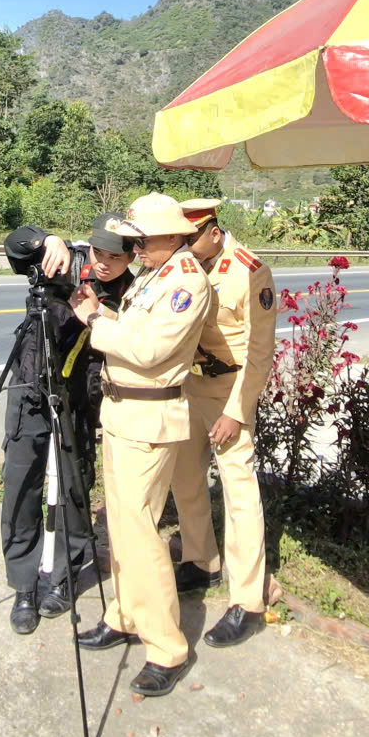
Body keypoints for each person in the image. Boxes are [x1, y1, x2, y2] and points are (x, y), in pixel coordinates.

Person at [68, 192, 211, 697]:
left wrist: (94, 320)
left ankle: (166, 645)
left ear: (172, 236)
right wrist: (102, 317)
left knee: (142, 533)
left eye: (142, 241)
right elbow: (130, 328)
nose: (136, 249)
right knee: (123, 528)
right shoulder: (156, 273)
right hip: (123, 412)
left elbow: (148, 349)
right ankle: (125, 614)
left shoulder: (185, 282)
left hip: (148, 417)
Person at [0, 214, 135, 635]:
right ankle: (24, 586)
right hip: (32, 385)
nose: (105, 263)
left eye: (116, 257)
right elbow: (15, 245)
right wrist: (46, 239)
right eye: (99, 253)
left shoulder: (134, 291)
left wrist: (100, 313)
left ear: (131, 257)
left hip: (78, 395)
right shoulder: (65, 260)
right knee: (21, 483)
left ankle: (63, 576)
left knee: (74, 489)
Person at [169, 198, 276, 646]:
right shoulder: (185, 264)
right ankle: (201, 562)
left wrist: (236, 411)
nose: (184, 246)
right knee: (184, 477)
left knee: (239, 491)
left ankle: (248, 602)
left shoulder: (250, 271)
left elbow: (260, 352)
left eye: (190, 238)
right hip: (190, 385)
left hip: (230, 391)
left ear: (214, 232)